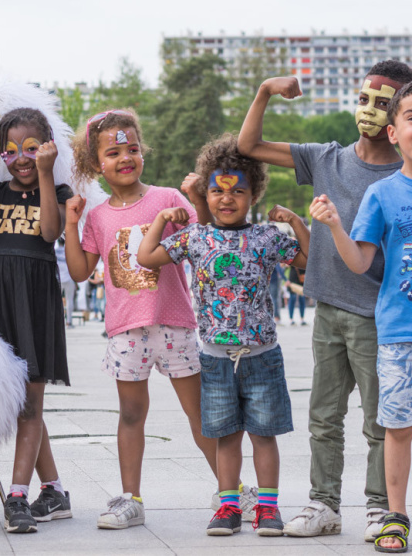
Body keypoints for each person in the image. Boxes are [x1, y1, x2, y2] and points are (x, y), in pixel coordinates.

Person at [237, 60, 412, 540]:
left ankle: (381, 507)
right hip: (328, 309)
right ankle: (324, 504)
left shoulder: (405, 174)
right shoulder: (326, 158)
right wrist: (265, 91)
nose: (370, 110)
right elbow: (247, 146)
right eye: (364, 98)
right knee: (324, 415)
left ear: (399, 120)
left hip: (380, 314)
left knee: (383, 420)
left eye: (385, 103)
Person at [138, 134, 310, 537]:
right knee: (226, 437)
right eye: (216, 190)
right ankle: (228, 506)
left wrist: (297, 223)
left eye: (237, 191)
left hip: (262, 356)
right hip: (214, 358)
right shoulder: (196, 237)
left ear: (253, 194)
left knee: (263, 436)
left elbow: (307, 261)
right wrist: (162, 219)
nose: (226, 199)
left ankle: (267, 508)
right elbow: (146, 258)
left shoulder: (267, 238)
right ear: (205, 192)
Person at [63, 108, 220, 530]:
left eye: (132, 148)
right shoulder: (96, 216)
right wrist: (71, 223)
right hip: (126, 330)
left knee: (199, 412)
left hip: (174, 322)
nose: (125, 158)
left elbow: (205, 234)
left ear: (143, 153)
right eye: (113, 152)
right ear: (97, 165)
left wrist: (196, 202)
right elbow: (79, 272)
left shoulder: (167, 198)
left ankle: (230, 490)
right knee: (131, 414)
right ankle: (131, 499)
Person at [310, 81, 412, 552]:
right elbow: (360, 261)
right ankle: (395, 515)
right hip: (397, 334)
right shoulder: (383, 194)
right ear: (393, 132)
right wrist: (333, 225)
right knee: (396, 426)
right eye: (411, 117)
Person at [0, 107, 72, 534]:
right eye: (10, 150)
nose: (22, 158)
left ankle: (17, 496)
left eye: (32, 148)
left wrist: (46, 174)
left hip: (36, 301)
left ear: (47, 148)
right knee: (19, 403)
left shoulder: (58, 190)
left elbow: (49, 232)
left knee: (29, 403)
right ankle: (55, 491)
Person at [55, 237, 76, 327]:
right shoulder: (68, 251)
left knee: (57, 301)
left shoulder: (55, 251)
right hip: (69, 277)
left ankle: (57, 321)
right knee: (69, 300)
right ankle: (69, 321)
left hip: (58, 278)